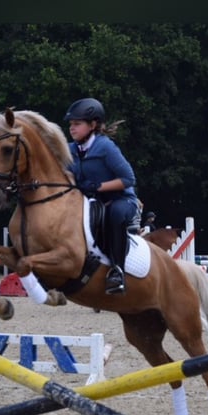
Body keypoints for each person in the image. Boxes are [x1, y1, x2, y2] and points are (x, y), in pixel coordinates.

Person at [64, 97, 140, 295]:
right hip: (93, 201)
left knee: (114, 214)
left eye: (77, 124)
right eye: (71, 124)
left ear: (93, 125)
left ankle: (117, 271)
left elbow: (128, 178)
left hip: (121, 199)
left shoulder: (105, 147)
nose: (72, 128)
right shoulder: (71, 149)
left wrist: (98, 186)